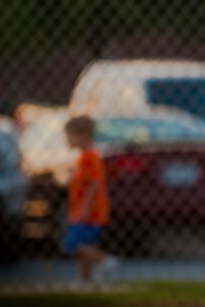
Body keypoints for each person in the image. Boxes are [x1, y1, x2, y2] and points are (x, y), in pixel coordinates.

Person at [63, 115, 119, 283]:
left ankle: (105, 261)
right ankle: (84, 278)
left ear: (83, 135)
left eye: (70, 135)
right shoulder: (82, 158)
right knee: (83, 248)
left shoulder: (91, 157)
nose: (68, 140)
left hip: (90, 212)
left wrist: (85, 207)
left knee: (74, 244)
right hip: (81, 210)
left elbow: (95, 184)